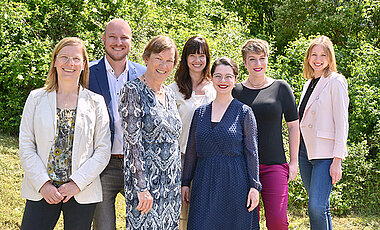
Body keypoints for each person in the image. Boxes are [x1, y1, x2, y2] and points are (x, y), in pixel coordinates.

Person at [19, 37, 111, 230]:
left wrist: (76, 184)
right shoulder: (36, 98)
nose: (70, 64)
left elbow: (102, 150)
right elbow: (26, 145)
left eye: (76, 59)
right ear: (54, 61)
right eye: (64, 57)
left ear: (84, 64)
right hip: (42, 189)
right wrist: (44, 184)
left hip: (80, 191)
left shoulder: (96, 102)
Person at [182, 57, 261, 229]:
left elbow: (251, 152)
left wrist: (254, 187)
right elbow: (192, 151)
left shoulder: (244, 112)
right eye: (218, 76)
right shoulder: (200, 113)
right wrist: (185, 182)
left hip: (236, 183)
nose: (223, 81)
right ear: (211, 78)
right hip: (204, 183)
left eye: (228, 76)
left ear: (235, 79)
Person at [232, 39, 300, 230]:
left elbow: (293, 126)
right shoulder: (235, 91)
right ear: (245, 63)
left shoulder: (281, 88)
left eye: (262, 58)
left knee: (278, 221)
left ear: (267, 60)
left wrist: (293, 162)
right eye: (252, 59)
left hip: (275, 165)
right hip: (243, 165)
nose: (258, 64)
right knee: (248, 221)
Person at [89, 18, 146, 230]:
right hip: (102, 166)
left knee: (141, 225)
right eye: (112, 37)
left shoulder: (143, 74)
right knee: (103, 227)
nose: (118, 42)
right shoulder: (87, 72)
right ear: (103, 39)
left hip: (137, 166)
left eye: (124, 38)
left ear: (131, 42)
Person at [119, 35, 181, 229]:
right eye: (159, 59)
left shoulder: (170, 93)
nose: (164, 65)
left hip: (171, 186)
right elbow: (132, 144)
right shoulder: (132, 90)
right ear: (146, 59)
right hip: (146, 185)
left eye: (169, 61)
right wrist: (142, 188)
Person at [298, 35, 349, 230]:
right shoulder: (308, 83)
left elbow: (342, 122)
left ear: (330, 58)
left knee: (316, 207)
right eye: (314, 54)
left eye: (323, 55)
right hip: (305, 153)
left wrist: (338, 160)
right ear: (308, 57)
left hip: (326, 155)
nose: (318, 59)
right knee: (322, 207)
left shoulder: (335, 81)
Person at [168, 36, 216, 230]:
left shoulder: (216, 88)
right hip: (180, 157)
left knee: (206, 211)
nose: (197, 60)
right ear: (185, 58)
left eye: (202, 55)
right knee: (181, 212)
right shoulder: (173, 90)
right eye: (193, 55)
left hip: (209, 159)